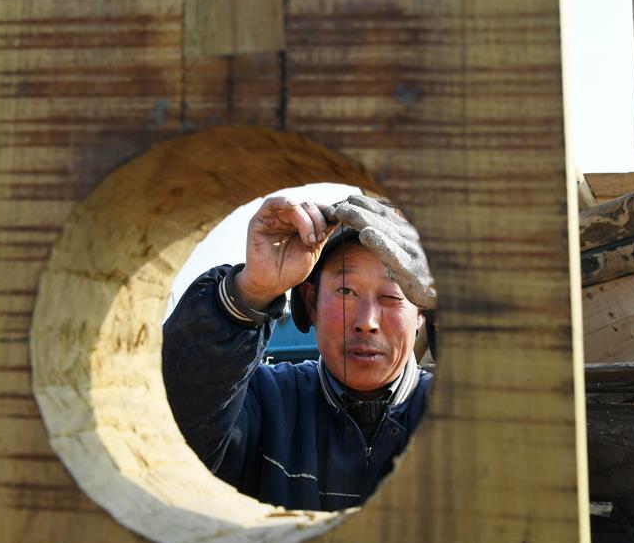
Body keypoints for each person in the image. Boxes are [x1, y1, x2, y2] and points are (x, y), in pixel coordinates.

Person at [162, 194, 437, 511]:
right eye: (345, 291)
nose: (367, 322)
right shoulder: (265, 402)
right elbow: (170, 436)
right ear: (310, 302)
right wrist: (252, 289)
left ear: (422, 312)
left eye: (392, 296)